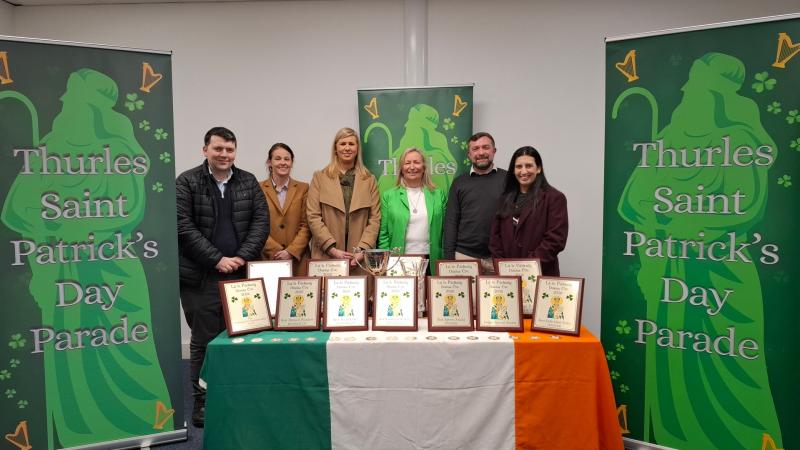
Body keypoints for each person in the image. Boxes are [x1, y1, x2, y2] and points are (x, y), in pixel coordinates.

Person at [176, 127, 269, 427]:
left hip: (241, 276)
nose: (224, 155)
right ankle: (202, 402)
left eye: (229, 150)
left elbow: (260, 223)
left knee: (241, 339)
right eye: (218, 149)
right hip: (200, 278)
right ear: (205, 150)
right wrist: (217, 259)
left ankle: (239, 395)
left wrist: (240, 257)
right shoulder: (186, 182)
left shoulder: (248, 181)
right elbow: (183, 227)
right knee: (203, 341)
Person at [307, 127, 380, 270]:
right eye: (343, 144)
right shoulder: (319, 178)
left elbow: (375, 219)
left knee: (361, 292)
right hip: (326, 255)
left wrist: (362, 250)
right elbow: (313, 216)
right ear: (335, 148)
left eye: (351, 144)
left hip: (359, 259)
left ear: (357, 148)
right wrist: (332, 249)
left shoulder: (370, 180)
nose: (347, 148)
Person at [489, 146, 568, 276]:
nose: (523, 171)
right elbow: (494, 239)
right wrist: (503, 266)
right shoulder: (504, 199)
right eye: (519, 166)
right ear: (513, 170)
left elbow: (555, 240)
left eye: (529, 166)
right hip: (507, 276)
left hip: (540, 274)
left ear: (538, 168)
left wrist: (526, 268)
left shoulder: (555, 198)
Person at [443, 131, 507, 274]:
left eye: (486, 147)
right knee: (464, 297)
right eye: (475, 149)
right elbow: (451, 222)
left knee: (498, 297)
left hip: (498, 257)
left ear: (494, 151)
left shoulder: (508, 180)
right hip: (464, 256)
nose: (481, 152)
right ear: (469, 155)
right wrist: (448, 259)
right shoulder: (459, 183)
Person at [378, 147, 446, 273]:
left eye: (417, 162)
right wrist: (386, 262)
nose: (412, 167)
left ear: (424, 167)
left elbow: (446, 230)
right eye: (407, 163)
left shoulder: (438, 194)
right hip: (399, 260)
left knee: (430, 293)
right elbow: (384, 234)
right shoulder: (389, 196)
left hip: (431, 259)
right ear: (401, 169)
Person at [260, 142, 311, 275]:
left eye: (287, 159)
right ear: (269, 162)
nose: (283, 162)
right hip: (268, 259)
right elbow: (256, 226)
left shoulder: (304, 188)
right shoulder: (257, 189)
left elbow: (306, 225)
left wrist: (291, 251)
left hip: (298, 260)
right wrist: (275, 250)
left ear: (292, 162)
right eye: (277, 158)